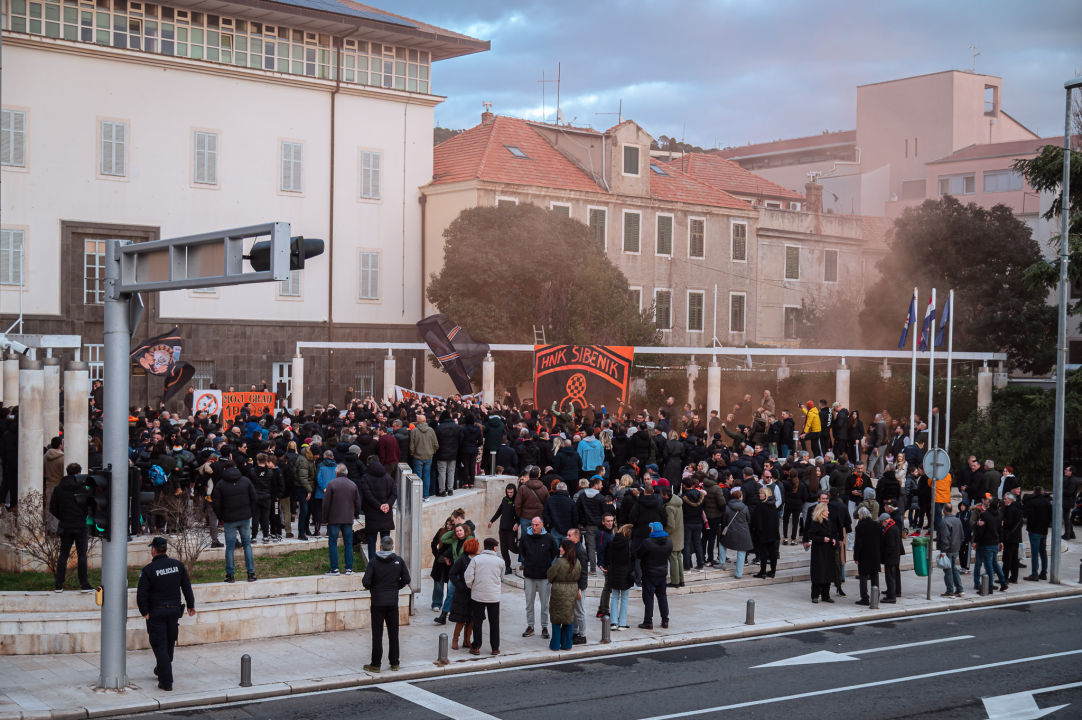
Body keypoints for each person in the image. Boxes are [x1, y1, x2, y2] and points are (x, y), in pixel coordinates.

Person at [136, 537, 196, 691]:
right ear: (165, 549)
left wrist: (145, 612)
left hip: (157, 612)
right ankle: (162, 668)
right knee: (169, 642)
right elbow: (186, 587)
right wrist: (190, 605)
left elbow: (141, 594)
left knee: (159, 644)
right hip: (174, 611)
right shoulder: (177, 565)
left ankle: (166, 681)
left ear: (154, 550)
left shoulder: (148, 570)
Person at [361, 535, 411, 673]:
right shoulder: (399, 561)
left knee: (377, 634)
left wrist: (374, 588)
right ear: (393, 547)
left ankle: (376, 664)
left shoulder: (373, 562)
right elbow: (406, 578)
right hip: (392, 602)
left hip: (377, 602)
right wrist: (395, 587)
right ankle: (394, 662)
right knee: (393, 633)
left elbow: (366, 582)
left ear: (380, 547)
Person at [211, 462, 258, 583]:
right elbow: (254, 498)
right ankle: (251, 573)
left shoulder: (220, 484)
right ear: (236, 467)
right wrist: (249, 512)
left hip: (229, 519)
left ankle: (230, 575)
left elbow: (216, 503)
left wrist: (221, 517)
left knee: (230, 547)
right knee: (247, 544)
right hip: (244, 517)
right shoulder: (246, 481)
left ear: (225, 468)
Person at [50, 463, 93, 592]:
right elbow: (89, 506)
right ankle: (84, 584)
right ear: (79, 473)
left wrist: (63, 517)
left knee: (63, 554)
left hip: (65, 525)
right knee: (82, 555)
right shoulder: (83, 488)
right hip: (80, 525)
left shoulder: (58, 488)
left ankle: (59, 585)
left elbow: (52, 508)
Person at [519, 515, 558, 639]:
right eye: (532, 525)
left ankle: (544, 626)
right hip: (529, 576)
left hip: (544, 576)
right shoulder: (525, 538)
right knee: (529, 603)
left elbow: (554, 553)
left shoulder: (549, 538)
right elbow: (522, 553)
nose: (534, 527)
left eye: (536, 525)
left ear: (542, 525)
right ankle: (530, 626)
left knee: (544, 604)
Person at [465, 537, 503, 656]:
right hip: (494, 596)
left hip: (478, 595)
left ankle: (476, 646)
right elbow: (501, 576)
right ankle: (495, 648)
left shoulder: (476, 560)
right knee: (494, 622)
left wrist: (473, 587)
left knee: (477, 621)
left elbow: (468, 577)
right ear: (494, 547)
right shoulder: (500, 561)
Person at [322, 463, 361, 576]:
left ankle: (334, 569)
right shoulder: (353, 485)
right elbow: (358, 503)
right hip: (348, 518)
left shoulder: (331, 484)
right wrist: (354, 514)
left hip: (333, 519)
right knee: (348, 543)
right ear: (347, 473)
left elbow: (326, 504)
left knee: (333, 543)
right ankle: (349, 568)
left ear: (336, 472)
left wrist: (325, 519)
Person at [547, 538, 582, 651]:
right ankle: (567, 644)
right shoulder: (577, 562)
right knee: (568, 616)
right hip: (572, 589)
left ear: (566, 549)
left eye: (562, 547)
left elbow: (550, 575)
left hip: (559, 589)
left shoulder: (559, 562)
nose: (560, 548)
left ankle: (555, 644)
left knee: (556, 617)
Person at [358, 460, 397, 562]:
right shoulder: (389, 478)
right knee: (386, 541)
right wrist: (388, 505)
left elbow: (367, 495)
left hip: (372, 515)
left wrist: (379, 506)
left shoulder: (365, 478)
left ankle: (372, 563)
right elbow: (394, 493)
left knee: (371, 541)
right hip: (386, 514)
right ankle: (386, 562)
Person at [636, 521, 672, 629]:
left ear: (652, 530)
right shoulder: (669, 542)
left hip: (649, 573)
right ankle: (665, 620)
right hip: (662, 573)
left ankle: (648, 621)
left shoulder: (648, 542)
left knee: (648, 598)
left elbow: (638, 554)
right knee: (662, 597)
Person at [605, 523, 634, 631]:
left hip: (613, 572)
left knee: (614, 597)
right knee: (624, 599)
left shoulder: (612, 542)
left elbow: (608, 556)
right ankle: (622, 623)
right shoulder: (629, 544)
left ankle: (613, 623)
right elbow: (634, 557)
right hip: (625, 573)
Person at [975, 497, 1008, 592]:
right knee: (995, 563)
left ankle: (989, 587)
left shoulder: (985, 515)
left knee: (989, 565)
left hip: (987, 543)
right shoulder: (999, 515)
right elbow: (1000, 529)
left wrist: (976, 540)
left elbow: (981, 530)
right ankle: (1003, 582)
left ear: (989, 504)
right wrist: (1000, 541)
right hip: (995, 542)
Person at [720, 487, 753, 577]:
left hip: (731, 531)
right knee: (741, 552)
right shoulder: (745, 508)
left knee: (722, 544)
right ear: (740, 497)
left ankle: (722, 562)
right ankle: (738, 574)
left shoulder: (727, 507)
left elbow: (724, 521)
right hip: (743, 532)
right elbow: (748, 520)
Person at [806, 503, 835, 603]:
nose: (828, 512)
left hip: (828, 550)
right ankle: (815, 595)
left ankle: (826, 595)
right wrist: (822, 539)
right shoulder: (816, 522)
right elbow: (811, 535)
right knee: (818, 572)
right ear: (822, 511)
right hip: (819, 551)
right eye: (827, 510)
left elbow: (831, 533)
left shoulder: (828, 521)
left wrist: (832, 540)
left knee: (827, 572)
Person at [852, 507, 881, 606]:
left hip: (864, 555)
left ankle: (865, 598)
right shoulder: (876, 525)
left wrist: (856, 557)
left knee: (863, 576)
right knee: (874, 575)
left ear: (861, 515)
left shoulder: (860, 526)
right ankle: (876, 595)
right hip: (875, 554)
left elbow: (858, 543)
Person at [1023, 486, 1053, 581]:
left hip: (1034, 530)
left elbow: (1031, 517)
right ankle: (1043, 572)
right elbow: (1050, 517)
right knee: (1043, 552)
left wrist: (1030, 527)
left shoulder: (1033, 502)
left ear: (1034, 493)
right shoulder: (1047, 503)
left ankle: (1034, 574)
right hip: (1043, 530)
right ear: (1042, 492)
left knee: (1035, 553)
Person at [489, 483, 519, 573]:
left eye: (511, 492)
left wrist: (518, 523)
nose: (509, 494)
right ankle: (508, 566)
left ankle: (524, 553)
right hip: (503, 528)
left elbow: (520, 514)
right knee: (504, 549)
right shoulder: (504, 499)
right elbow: (499, 511)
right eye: (508, 492)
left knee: (513, 547)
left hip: (512, 529)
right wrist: (491, 521)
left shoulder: (517, 500)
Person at [751, 486, 780, 578]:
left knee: (763, 552)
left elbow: (757, 520)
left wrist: (755, 530)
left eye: (761, 493)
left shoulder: (761, 506)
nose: (759, 495)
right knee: (772, 552)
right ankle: (772, 571)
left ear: (766, 495)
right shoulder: (773, 506)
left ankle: (762, 572)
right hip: (772, 532)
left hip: (763, 533)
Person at [937, 503, 964, 597]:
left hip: (948, 549)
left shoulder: (944, 522)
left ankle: (950, 590)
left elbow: (945, 537)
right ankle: (959, 589)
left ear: (943, 510)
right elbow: (961, 535)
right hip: (956, 547)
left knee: (948, 569)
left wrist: (943, 550)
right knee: (953, 568)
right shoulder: (957, 520)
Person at [409, 414, 439, 499]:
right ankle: (426, 495)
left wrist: (413, 454)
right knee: (427, 476)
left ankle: (417, 496)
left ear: (417, 421)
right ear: (425, 421)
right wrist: (431, 452)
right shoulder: (431, 430)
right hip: (428, 456)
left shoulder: (414, 431)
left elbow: (411, 446)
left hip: (418, 456)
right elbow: (436, 444)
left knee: (418, 476)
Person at [662, 486, 684, 588]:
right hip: (679, 534)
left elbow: (670, 525)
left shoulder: (668, 507)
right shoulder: (678, 502)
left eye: (662, 494)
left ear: (666, 495)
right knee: (679, 558)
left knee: (673, 559)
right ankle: (681, 580)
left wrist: (664, 533)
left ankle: (675, 581)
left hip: (672, 536)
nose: (661, 496)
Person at [1000, 493, 1024, 584]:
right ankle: (1014, 577)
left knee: (1007, 558)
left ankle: (1004, 578)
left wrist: (1002, 522)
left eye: (1005, 499)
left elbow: (1008, 522)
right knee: (1014, 558)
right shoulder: (1020, 509)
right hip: (1017, 536)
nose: (1004, 500)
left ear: (1011, 500)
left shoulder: (1010, 509)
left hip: (1010, 537)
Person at [879, 512, 903, 603]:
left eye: (881, 523)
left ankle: (891, 596)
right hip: (893, 557)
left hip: (890, 558)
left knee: (890, 577)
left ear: (885, 521)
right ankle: (890, 592)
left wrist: (883, 555)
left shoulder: (890, 530)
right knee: (891, 576)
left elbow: (890, 545)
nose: (881, 525)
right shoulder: (893, 527)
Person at [1061, 466, 1076, 541]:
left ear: (1071, 472)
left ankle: (1067, 534)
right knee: (1067, 517)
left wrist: (1061, 489)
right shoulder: (1069, 479)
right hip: (1067, 501)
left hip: (1068, 501)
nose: (1064, 471)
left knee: (1066, 517)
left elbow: (1069, 492)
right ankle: (1071, 533)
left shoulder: (1072, 481)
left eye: (1066, 470)